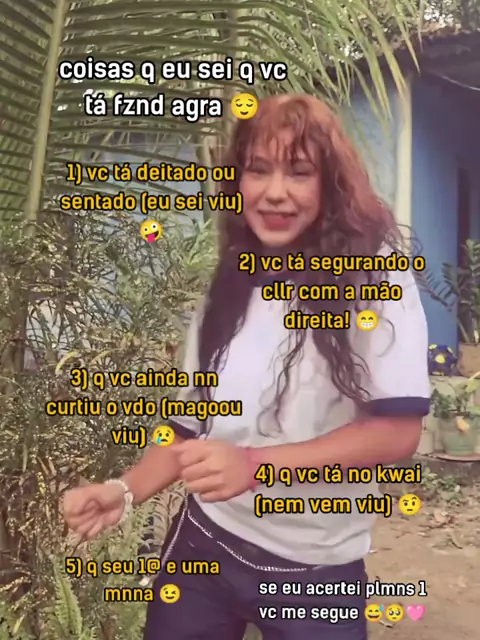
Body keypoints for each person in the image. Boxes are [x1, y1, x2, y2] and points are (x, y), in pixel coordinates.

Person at [63, 94, 430, 639]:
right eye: (258, 170)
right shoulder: (231, 281)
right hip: (204, 547)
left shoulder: (373, 276)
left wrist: (256, 465)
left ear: (330, 184)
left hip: (314, 568)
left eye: (298, 172)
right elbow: (188, 423)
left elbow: (398, 430)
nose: (274, 192)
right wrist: (124, 490)